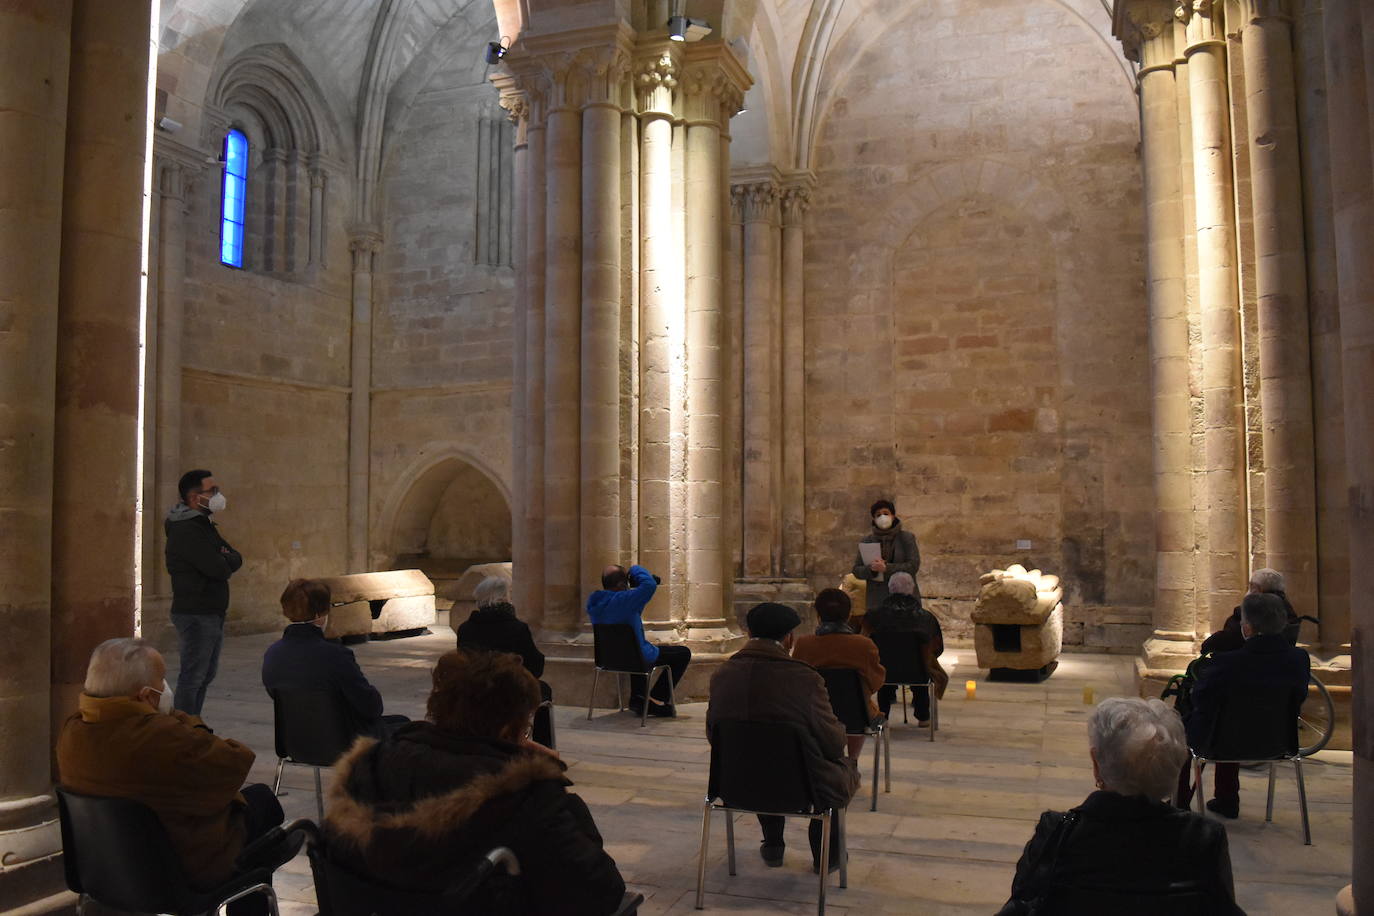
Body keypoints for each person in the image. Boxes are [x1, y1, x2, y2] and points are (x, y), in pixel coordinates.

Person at [324, 650, 629, 915]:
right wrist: (554, 787)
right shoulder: (523, 798)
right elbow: (599, 890)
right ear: (511, 727)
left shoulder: (366, 770)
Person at [57, 638, 284, 915]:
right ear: (145, 696)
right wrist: (175, 717)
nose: (166, 688)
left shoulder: (72, 732)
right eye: (161, 681)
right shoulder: (161, 738)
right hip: (172, 871)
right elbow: (236, 761)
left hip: (104, 868)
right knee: (264, 812)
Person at [998, 697, 1243, 915]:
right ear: (1175, 768)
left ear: (1097, 763)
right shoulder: (1203, 838)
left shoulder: (1058, 833)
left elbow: (1024, 897)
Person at [708, 602, 859, 872]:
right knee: (841, 768)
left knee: (760, 758)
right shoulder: (803, 678)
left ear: (747, 632)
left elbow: (713, 733)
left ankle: (774, 844)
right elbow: (833, 742)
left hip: (734, 784)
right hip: (799, 788)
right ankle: (828, 855)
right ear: (789, 637)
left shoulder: (722, 674)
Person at [1176, 592, 1310, 819]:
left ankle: (1179, 805)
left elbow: (1202, 700)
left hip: (1222, 744)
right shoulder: (1299, 659)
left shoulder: (1225, 663)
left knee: (1182, 729)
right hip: (1279, 742)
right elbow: (1299, 696)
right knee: (1233, 721)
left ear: (1247, 627)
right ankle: (1226, 799)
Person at [262, 578, 409, 738]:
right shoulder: (335, 655)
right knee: (406, 727)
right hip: (342, 740)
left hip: (295, 739)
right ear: (319, 614)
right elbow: (370, 707)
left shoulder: (273, 653)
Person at [166, 468, 242, 715]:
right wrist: (223, 559)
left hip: (210, 611)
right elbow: (218, 569)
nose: (218, 495)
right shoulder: (186, 529)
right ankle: (184, 731)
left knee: (205, 674)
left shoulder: (203, 524)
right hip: (196, 612)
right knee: (193, 676)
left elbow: (235, 556)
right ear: (194, 497)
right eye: (212, 491)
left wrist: (225, 557)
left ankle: (192, 724)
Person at [457, 576, 554, 746]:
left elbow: (463, 663)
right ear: (504, 597)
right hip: (510, 690)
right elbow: (534, 667)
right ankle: (543, 745)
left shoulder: (465, 629)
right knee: (543, 690)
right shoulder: (517, 628)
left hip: (475, 689)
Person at [791, 588, 886, 758]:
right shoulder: (864, 645)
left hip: (814, 714)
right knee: (860, 710)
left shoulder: (804, 644)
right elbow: (876, 681)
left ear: (818, 615)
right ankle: (852, 760)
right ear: (849, 614)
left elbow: (797, 681)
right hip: (857, 715)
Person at [586, 564, 690, 716]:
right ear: (622, 584)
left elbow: (629, 610)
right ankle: (654, 699)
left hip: (608, 660)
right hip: (635, 658)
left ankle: (638, 698)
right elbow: (649, 584)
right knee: (682, 653)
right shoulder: (625, 600)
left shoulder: (594, 602)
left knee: (633, 650)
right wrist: (633, 570)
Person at [863, 571, 948, 726]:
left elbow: (864, 643)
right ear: (912, 589)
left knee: (885, 668)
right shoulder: (925, 617)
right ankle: (923, 717)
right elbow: (937, 647)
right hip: (918, 671)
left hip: (883, 671)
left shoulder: (874, 616)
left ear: (889, 589)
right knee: (923, 665)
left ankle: (883, 714)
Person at [1200, 567, 1302, 655]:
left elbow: (1221, 641)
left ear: (1258, 589)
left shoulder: (1252, 613)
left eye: (1251, 586)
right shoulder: (1289, 612)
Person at [851, 499, 920, 612]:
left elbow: (913, 565)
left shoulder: (906, 538)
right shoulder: (867, 541)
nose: (882, 517)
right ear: (874, 519)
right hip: (877, 601)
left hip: (904, 599)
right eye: (878, 515)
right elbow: (856, 570)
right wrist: (871, 569)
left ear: (893, 516)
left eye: (886, 513)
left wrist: (887, 568)